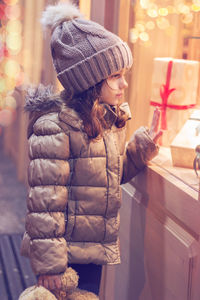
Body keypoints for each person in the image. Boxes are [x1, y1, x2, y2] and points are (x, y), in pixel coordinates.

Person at [21, 1, 162, 297]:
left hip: (92, 249)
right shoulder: (55, 127)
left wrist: (140, 150)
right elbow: (45, 204)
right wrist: (50, 266)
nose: (124, 83)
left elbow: (106, 177)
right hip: (65, 254)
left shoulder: (104, 121)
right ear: (89, 79)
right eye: (115, 76)